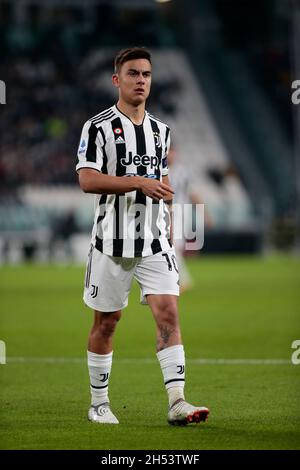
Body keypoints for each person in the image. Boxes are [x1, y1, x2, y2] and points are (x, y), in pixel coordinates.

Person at [76, 47, 209, 426]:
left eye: (146, 75)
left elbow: (163, 182)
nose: (140, 80)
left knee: (169, 312)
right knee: (108, 321)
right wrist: (137, 183)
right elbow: (86, 179)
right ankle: (99, 403)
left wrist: (166, 216)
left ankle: (177, 401)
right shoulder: (97, 127)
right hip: (110, 243)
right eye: (133, 73)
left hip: (154, 243)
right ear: (117, 80)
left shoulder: (161, 131)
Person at [167, 145, 213, 292]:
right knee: (171, 247)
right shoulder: (157, 170)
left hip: (180, 212)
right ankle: (179, 280)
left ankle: (181, 280)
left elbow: (194, 194)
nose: (170, 155)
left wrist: (205, 214)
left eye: (172, 152)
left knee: (174, 246)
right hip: (162, 213)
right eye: (167, 152)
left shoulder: (184, 172)